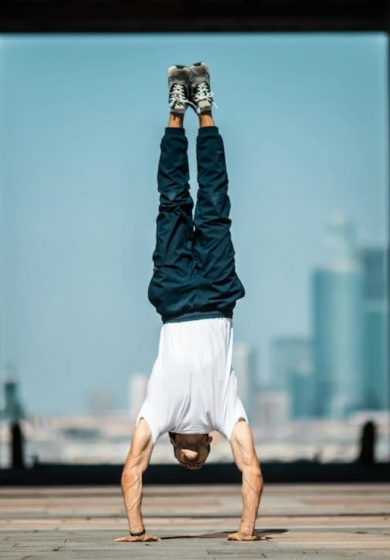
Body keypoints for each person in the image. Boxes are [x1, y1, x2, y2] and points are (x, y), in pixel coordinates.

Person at [115, 63, 265, 543]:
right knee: (215, 203)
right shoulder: (225, 413)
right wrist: (245, 530)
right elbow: (252, 469)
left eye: (183, 459)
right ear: (207, 445)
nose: (191, 458)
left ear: (175, 446)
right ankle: (205, 108)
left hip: (176, 296)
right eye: (196, 459)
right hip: (218, 295)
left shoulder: (160, 414)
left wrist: (137, 530)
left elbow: (133, 467)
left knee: (173, 202)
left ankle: (175, 113)